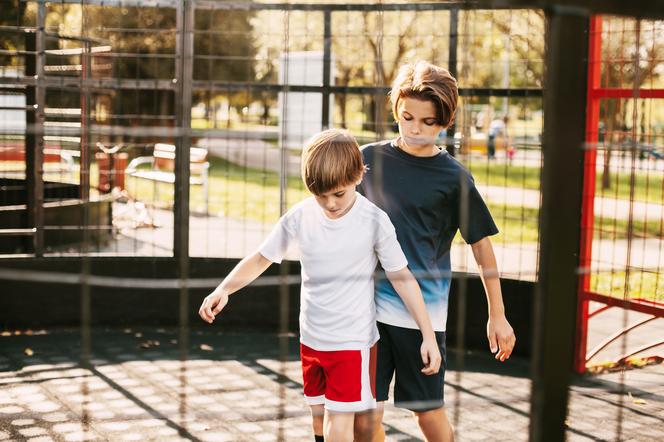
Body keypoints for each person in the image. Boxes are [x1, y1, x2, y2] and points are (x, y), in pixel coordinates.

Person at [198, 128, 442, 442]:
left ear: (357, 175)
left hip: (352, 344)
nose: (329, 203)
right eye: (320, 195)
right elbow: (261, 257)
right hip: (312, 340)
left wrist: (427, 334)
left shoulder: (374, 221)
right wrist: (224, 289)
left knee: (338, 424)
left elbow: (402, 277)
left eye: (338, 194)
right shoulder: (300, 216)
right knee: (318, 419)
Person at [354, 61, 516, 442]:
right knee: (365, 418)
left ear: (445, 121)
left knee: (428, 416)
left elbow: (482, 247)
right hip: (364, 311)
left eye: (427, 122)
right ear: (396, 111)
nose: (415, 128)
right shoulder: (366, 160)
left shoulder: (454, 178)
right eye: (407, 117)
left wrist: (498, 315)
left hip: (422, 317)